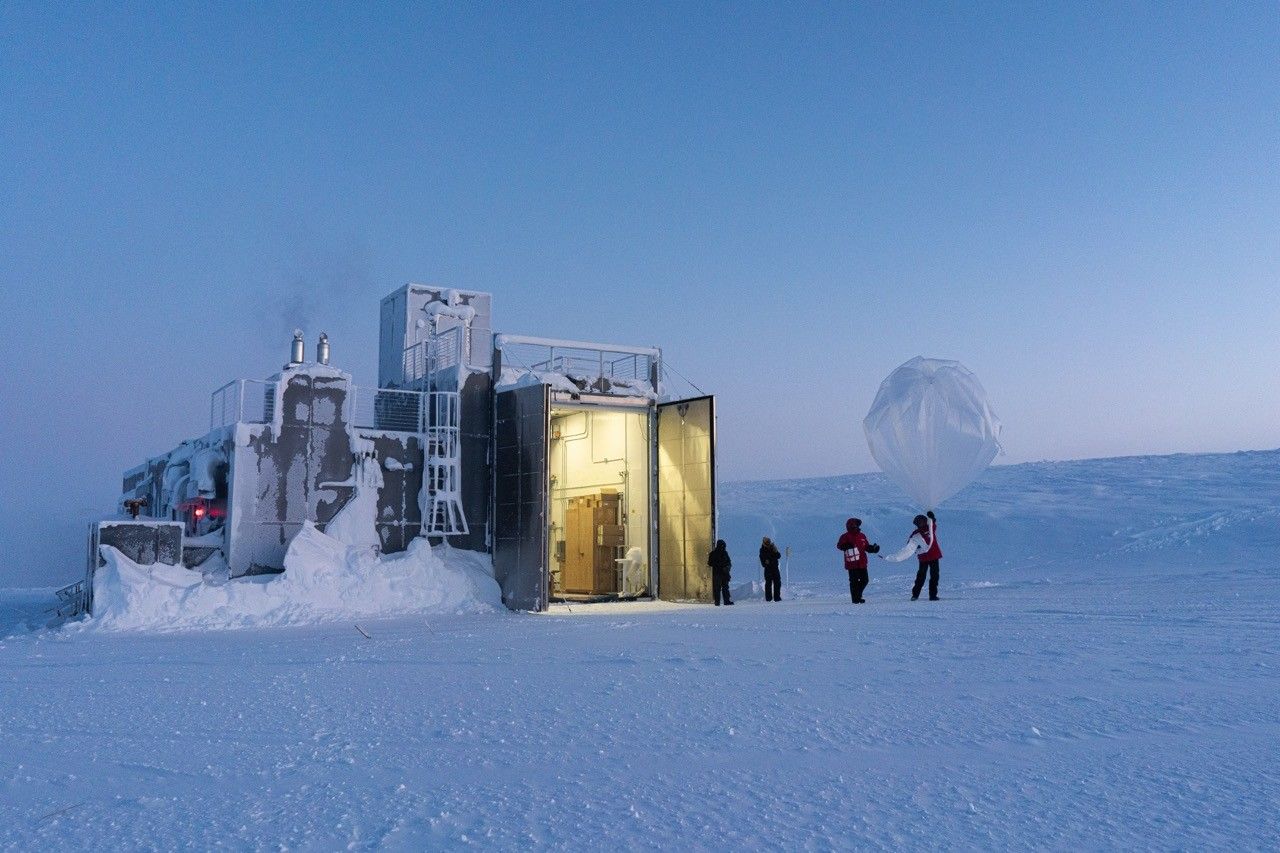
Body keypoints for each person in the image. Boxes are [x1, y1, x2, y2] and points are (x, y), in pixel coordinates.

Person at [882, 510, 942, 600]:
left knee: (934, 576)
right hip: (923, 558)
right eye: (918, 522)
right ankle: (915, 595)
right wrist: (917, 548)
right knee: (921, 576)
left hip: (934, 556)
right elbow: (909, 547)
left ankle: (933, 596)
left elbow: (933, 524)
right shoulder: (915, 534)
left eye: (922, 521)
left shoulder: (930, 528)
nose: (920, 523)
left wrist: (932, 517)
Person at [836, 518, 879, 603]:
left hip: (862, 562)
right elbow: (839, 546)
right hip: (852, 563)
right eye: (853, 525)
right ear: (849, 526)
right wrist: (846, 546)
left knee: (865, 580)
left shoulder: (862, 536)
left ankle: (857, 596)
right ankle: (855, 599)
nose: (855, 526)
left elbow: (866, 547)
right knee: (854, 581)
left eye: (856, 525)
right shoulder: (845, 536)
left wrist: (873, 549)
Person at [707, 539, 733, 606]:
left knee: (722, 588)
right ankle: (720, 602)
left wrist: (727, 568)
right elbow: (710, 563)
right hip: (718, 573)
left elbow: (729, 562)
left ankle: (723, 601)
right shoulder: (715, 553)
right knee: (719, 588)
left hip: (722, 573)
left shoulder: (721, 553)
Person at [759, 537, 782, 602]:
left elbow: (778, 556)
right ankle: (768, 598)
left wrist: (775, 550)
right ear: (764, 543)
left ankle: (777, 598)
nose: (768, 543)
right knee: (768, 583)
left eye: (768, 542)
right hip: (768, 569)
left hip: (775, 568)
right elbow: (762, 561)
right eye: (766, 542)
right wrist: (766, 562)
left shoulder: (773, 548)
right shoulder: (762, 550)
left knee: (777, 582)